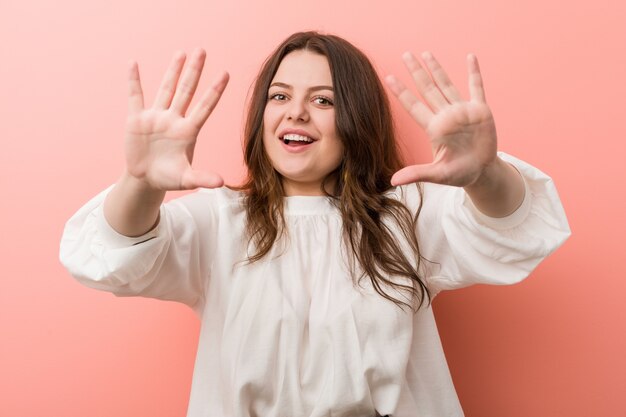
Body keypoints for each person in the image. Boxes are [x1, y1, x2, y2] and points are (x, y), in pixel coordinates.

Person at [60, 31, 570, 417]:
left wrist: (485, 176)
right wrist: (141, 181)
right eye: (279, 97)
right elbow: (114, 258)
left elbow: (513, 232)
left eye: (323, 100)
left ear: (356, 119)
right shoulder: (219, 220)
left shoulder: (407, 215)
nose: (295, 113)